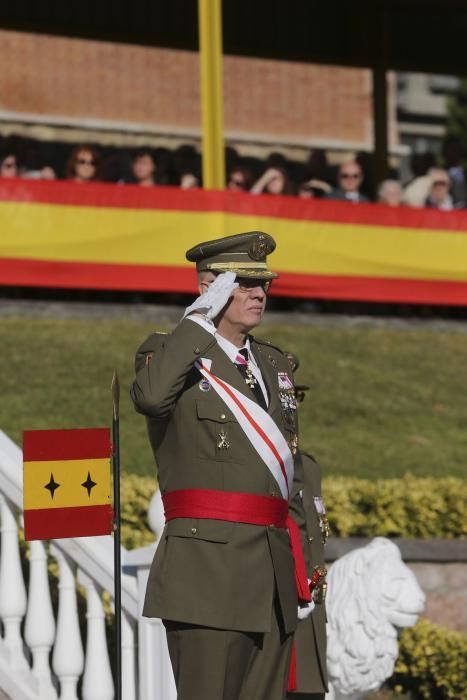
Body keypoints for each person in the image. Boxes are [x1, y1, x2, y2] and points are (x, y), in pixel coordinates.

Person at [131, 231, 314, 700]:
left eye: (264, 284)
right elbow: (150, 398)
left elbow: (290, 471)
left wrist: (304, 569)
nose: (259, 293)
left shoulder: (275, 363)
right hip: (208, 574)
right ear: (209, 288)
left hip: (271, 575)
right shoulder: (172, 355)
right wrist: (196, 323)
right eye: (244, 283)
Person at [285, 353, 329, 700]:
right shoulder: (264, 463)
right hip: (277, 622)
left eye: (295, 399)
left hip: (310, 628)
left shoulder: (309, 468)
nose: (292, 410)